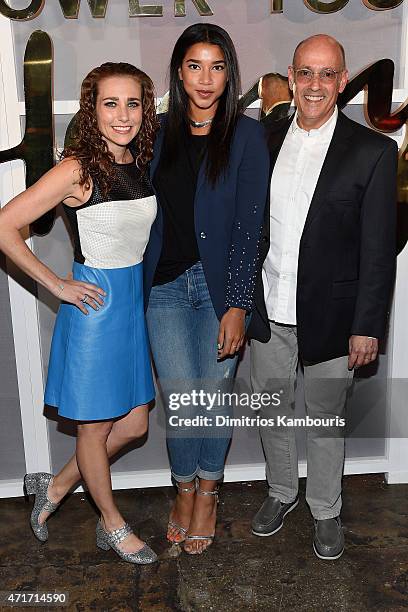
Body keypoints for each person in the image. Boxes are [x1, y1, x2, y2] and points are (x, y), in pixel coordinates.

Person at [0, 62, 160, 565]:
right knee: (94, 430)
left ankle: (56, 486)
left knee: (134, 426)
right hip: (95, 310)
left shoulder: (137, 158)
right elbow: (5, 225)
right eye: (110, 103)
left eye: (132, 103)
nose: (123, 115)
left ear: (144, 108)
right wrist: (57, 286)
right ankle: (112, 524)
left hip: (131, 305)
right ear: (92, 110)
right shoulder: (78, 169)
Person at [247, 34, 397, 560]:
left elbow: (378, 252)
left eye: (327, 74)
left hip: (334, 317)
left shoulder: (373, 151)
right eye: (305, 73)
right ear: (291, 77)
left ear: (342, 80)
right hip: (266, 309)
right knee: (271, 411)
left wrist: (368, 325)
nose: (315, 84)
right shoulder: (260, 139)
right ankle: (281, 492)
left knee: (326, 420)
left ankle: (326, 509)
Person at [143, 23, 269, 555]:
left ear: (229, 73)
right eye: (194, 65)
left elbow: (251, 225)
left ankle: (209, 495)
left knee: (213, 399)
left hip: (219, 288)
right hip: (165, 288)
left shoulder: (245, 136)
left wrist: (237, 303)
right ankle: (183, 488)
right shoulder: (154, 132)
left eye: (217, 67)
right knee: (181, 401)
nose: (205, 78)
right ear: (178, 70)